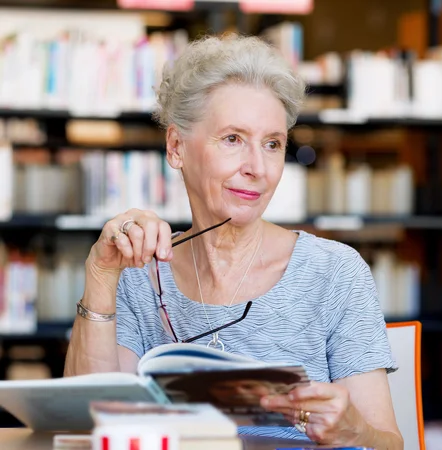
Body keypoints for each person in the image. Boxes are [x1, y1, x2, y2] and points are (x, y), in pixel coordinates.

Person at [64, 34, 403, 449]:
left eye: (273, 144)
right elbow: (87, 427)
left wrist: (355, 431)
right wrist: (102, 275)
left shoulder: (335, 273)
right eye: (232, 139)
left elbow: (390, 444)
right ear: (176, 147)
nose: (257, 168)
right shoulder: (138, 272)